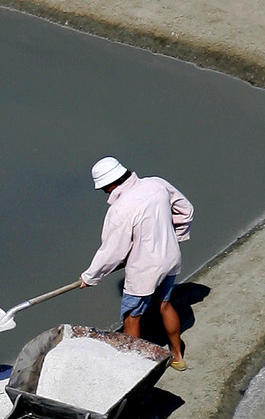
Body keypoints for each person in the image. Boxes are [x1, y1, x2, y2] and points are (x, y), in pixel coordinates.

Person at [79, 155, 193, 368]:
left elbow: (112, 251)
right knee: (164, 304)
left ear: (112, 184)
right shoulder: (157, 184)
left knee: (132, 318)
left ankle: (132, 367)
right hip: (170, 258)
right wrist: (173, 235)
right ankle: (177, 357)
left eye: (104, 188)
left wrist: (90, 276)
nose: (105, 192)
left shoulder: (121, 209)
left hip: (144, 269)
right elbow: (186, 210)